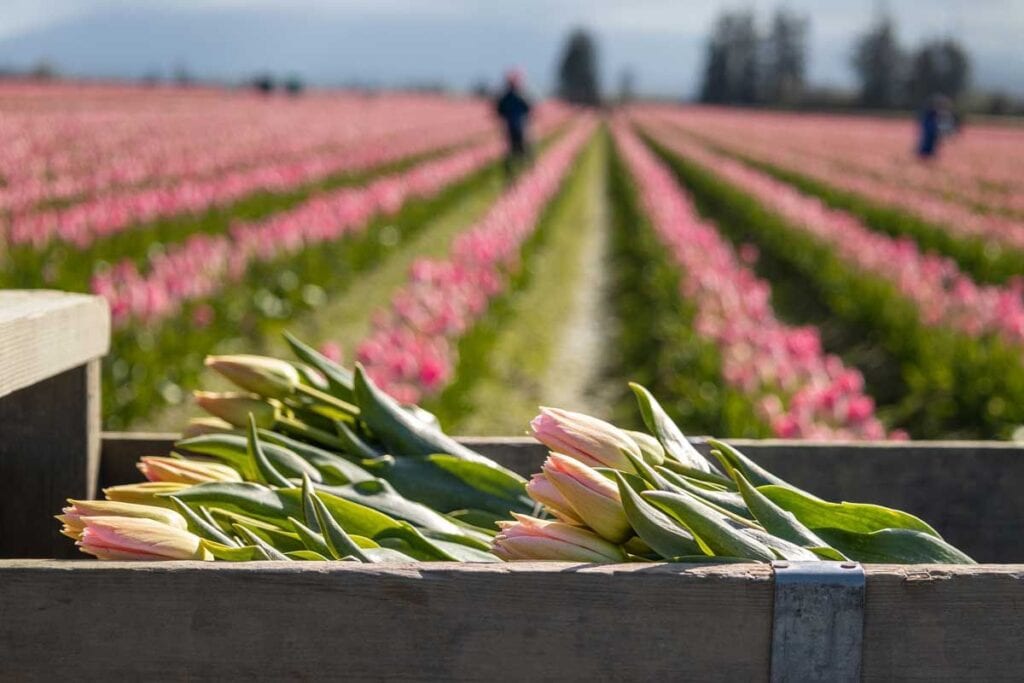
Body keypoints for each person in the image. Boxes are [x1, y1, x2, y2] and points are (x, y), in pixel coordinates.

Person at [495, 69, 532, 181]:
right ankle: (517, 174)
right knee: (520, 151)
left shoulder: (506, 97)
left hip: (513, 126)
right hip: (516, 126)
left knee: (515, 151)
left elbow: (499, 111)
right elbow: (529, 109)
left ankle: (515, 174)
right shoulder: (518, 96)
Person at [917, 94, 953, 160]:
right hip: (930, 129)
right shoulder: (930, 112)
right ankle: (925, 155)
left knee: (930, 143)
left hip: (932, 129)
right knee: (928, 142)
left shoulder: (935, 113)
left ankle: (927, 155)